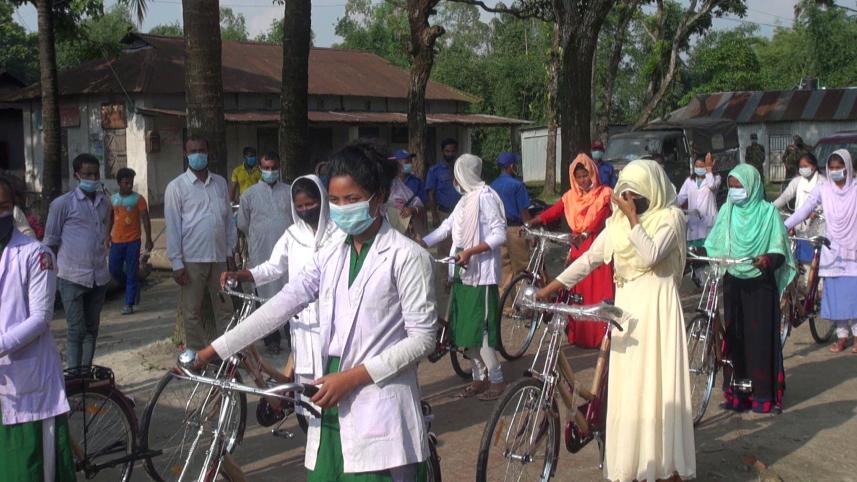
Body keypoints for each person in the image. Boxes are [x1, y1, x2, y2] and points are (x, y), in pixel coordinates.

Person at [193, 141, 437, 481]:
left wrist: (352, 378)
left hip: (379, 397)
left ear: (378, 197)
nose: (340, 208)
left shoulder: (407, 256)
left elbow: (423, 340)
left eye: (351, 199)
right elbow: (284, 302)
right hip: (329, 394)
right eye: (335, 200)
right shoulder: (331, 253)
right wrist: (215, 349)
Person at [536, 159, 695, 481]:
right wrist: (549, 289)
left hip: (657, 309)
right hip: (626, 312)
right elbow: (590, 259)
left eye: (636, 196)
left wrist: (634, 218)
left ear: (651, 192)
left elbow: (651, 255)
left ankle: (665, 466)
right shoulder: (617, 224)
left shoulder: (671, 218)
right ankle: (633, 465)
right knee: (628, 390)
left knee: (657, 387)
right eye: (625, 194)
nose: (629, 201)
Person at [222, 175, 344, 417]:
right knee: (306, 392)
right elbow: (272, 268)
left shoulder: (340, 234)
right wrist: (242, 274)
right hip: (302, 322)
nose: (305, 210)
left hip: (334, 321)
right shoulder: (292, 235)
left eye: (310, 204)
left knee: (334, 386)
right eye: (300, 206)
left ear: (322, 200)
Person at [0, 177, 76, 481]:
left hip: (29, 386)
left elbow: (41, 318)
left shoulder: (36, 254)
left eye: (3, 207)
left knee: (31, 469)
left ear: (15, 208)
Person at [706, 164, 795, 413]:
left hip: (759, 283)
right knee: (735, 338)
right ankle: (739, 394)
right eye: (731, 187)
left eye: (739, 187)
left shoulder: (768, 214)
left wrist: (767, 260)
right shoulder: (727, 210)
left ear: (752, 186)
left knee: (759, 339)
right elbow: (714, 241)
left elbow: (779, 250)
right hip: (733, 279)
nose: (735, 192)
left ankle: (763, 395)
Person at [424, 154, 508, 401]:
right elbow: (447, 227)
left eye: (457, 176)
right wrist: (422, 243)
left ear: (466, 175)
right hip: (461, 271)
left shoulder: (487, 198)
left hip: (480, 275)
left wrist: (471, 251)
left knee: (480, 331)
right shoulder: (464, 201)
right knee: (463, 331)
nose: (454, 181)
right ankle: (478, 377)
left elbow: (499, 234)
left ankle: (497, 379)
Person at [527, 154, 615, 348]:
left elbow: (600, 218)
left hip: (598, 247)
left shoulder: (605, 194)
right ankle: (579, 335)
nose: (583, 181)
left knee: (597, 294)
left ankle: (601, 338)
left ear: (593, 173)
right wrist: (534, 221)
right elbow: (555, 210)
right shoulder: (570, 197)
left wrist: (586, 233)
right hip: (577, 248)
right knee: (575, 293)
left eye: (586, 176)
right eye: (579, 177)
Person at [165, 137, 236, 350]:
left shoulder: (220, 183)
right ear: (186, 154)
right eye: (193, 151)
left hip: (220, 258)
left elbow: (228, 221)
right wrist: (176, 264)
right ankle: (200, 355)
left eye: (202, 150)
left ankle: (228, 352)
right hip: (192, 260)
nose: (198, 154)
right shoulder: (176, 187)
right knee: (192, 312)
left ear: (208, 152)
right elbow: (173, 227)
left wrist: (231, 252)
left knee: (225, 308)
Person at [786, 150, 857, 353]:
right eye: (832, 168)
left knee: (853, 296)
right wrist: (784, 225)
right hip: (832, 250)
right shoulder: (823, 189)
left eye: (839, 168)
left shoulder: (855, 189)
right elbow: (804, 210)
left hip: (853, 251)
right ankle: (842, 337)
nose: (835, 172)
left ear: (848, 168)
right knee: (836, 297)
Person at [44, 153, 111, 371]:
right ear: (76, 175)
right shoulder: (62, 204)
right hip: (71, 277)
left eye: (95, 173)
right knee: (76, 330)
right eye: (86, 174)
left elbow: (105, 229)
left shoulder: (104, 202)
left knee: (92, 329)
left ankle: (85, 376)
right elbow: (50, 242)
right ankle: (74, 377)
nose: (92, 177)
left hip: (98, 277)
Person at [236, 152, 293, 354]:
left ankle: (293, 337)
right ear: (260, 169)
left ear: (279, 168)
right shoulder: (249, 195)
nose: (270, 171)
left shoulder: (289, 192)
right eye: (266, 168)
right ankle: (272, 340)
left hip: (288, 254)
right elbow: (242, 223)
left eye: (273, 168)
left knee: (290, 293)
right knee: (265, 298)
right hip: (261, 253)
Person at [106, 167, 154, 315]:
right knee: (114, 269)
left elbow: (145, 219)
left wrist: (149, 239)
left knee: (132, 271)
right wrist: (107, 235)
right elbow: (110, 218)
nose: (129, 185)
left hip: (133, 241)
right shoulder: (113, 199)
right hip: (116, 242)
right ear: (119, 183)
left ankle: (129, 303)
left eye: (131, 183)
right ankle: (133, 287)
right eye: (126, 183)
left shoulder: (138, 199)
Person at [489, 151, 531, 292]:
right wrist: (530, 231)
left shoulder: (492, 186)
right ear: (511, 166)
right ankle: (524, 307)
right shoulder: (517, 185)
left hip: (497, 230)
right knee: (522, 269)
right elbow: (524, 212)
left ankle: (506, 309)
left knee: (504, 272)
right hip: (515, 230)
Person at [774, 152, 826, 263]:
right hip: (798, 227)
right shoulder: (797, 181)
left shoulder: (823, 182)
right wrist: (770, 208)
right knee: (799, 259)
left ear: (814, 166)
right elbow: (785, 197)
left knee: (815, 261)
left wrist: (816, 214)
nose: (803, 169)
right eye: (801, 167)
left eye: (806, 166)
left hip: (817, 227)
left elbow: (826, 206)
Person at [676, 153, 721, 248]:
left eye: (702, 166)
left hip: (708, 222)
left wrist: (709, 170)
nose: (699, 168)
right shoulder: (689, 180)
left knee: (709, 251)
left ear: (708, 166)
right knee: (695, 253)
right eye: (696, 166)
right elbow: (680, 198)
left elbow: (712, 186)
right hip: (693, 223)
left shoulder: (716, 178)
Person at [387, 156, 425, 237]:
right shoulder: (373, 191)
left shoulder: (402, 189)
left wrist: (412, 210)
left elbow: (420, 206)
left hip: (401, 234)